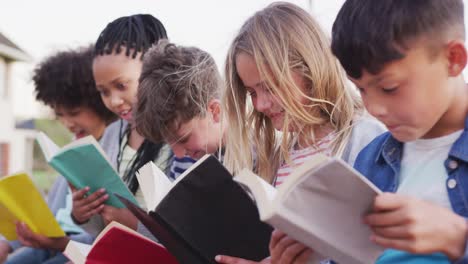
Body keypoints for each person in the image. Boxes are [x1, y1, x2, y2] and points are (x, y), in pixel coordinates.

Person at [216, 2, 385, 263]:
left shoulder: (367, 140)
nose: (260, 104)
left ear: (308, 68)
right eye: (252, 93)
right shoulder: (280, 157)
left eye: (269, 87)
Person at [70, 14, 195, 238]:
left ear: (154, 71)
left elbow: (187, 233)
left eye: (121, 85)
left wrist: (136, 225)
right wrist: (83, 215)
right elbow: (101, 230)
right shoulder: (111, 136)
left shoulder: (182, 138)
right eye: (104, 91)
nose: (113, 101)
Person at [0, 45, 115, 264]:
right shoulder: (72, 150)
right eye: (60, 115)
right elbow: (50, 220)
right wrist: (7, 242)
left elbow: (99, 236)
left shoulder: (114, 152)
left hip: (81, 249)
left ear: (100, 104)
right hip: (50, 245)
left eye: (73, 113)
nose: (67, 124)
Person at [134, 40, 226, 161]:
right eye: (168, 143)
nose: (178, 154)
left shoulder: (255, 157)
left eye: (184, 139)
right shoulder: (182, 162)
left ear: (215, 112)